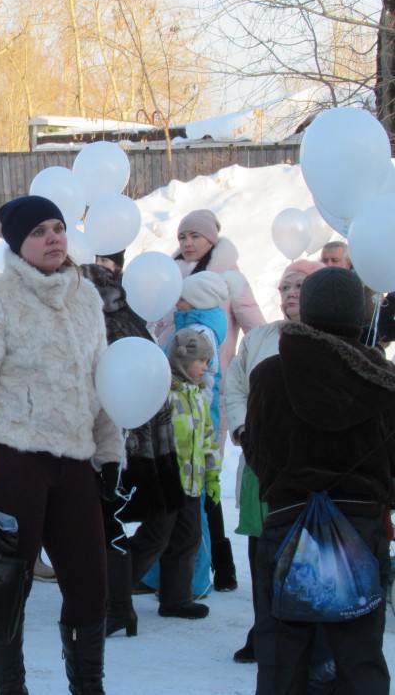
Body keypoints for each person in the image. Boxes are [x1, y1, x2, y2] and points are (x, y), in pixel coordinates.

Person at [0, 196, 123, 694]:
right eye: (38, 232)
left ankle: (89, 687)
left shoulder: (85, 297)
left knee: (91, 586)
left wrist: (110, 453)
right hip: (14, 461)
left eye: (58, 228)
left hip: (75, 462)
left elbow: (102, 381)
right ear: (17, 244)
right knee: (8, 587)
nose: (53, 238)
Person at [243, 267, 395, 695]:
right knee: (360, 657)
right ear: (360, 314)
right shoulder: (383, 382)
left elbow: (257, 453)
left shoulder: (268, 375)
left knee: (282, 659)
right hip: (362, 527)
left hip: (287, 524)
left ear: (306, 310)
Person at [223, 259, 332, 671]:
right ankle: (265, 631)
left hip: (308, 472)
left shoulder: (331, 341)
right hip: (260, 465)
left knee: (305, 556)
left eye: (300, 286)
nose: (290, 293)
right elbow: (235, 388)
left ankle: (307, 640)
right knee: (262, 554)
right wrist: (244, 430)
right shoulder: (259, 338)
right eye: (285, 286)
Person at [153, 209, 265, 595]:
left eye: (194, 236)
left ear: (211, 240)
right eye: (182, 236)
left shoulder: (229, 278)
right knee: (182, 481)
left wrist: (245, 371)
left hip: (208, 390)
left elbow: (255, 326)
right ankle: (171, 568)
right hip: (169, 388)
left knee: (202, 479)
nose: (187, 243)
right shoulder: (169, 276)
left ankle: (218, 566)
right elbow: (158, 324)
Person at [81, 262, 183, 639]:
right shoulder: (130, 319)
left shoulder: (103, 325)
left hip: (120, 442)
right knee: (138, 519)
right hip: (148, 441)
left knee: (106, 522)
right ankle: (119, 605)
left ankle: (117, 604)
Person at [129, 328, 219, 622]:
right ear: (182, 359)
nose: (205, 367)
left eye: (208, 361)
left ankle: (176, 599)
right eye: (200, 361)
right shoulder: (163, 393)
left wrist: (212, 476)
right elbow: (145, 436)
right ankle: (112, 593)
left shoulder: (199, 396)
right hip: (165, 482)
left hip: (191, 485)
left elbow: (207, 438)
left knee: (188, 539)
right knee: (154, 538)